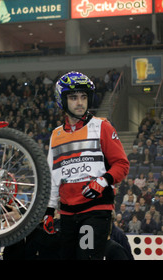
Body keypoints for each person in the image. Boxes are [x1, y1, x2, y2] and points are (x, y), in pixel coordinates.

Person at [43, 71, 129, 260]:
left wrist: (103, 181)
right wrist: (49, 211)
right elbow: (52, 177)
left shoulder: (102, 126)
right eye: (73, 97)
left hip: (95, 211)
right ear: (62, 100)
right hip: (66, 213)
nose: (80, 102)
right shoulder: (56, 135)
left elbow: (121, 164)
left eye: (83, 97)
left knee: (86, 257)